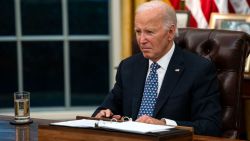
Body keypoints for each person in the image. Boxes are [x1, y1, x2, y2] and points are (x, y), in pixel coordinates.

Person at [92, 0, 221, 136]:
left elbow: (210, 126)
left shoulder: (199, 70)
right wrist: (103, 115)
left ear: (170, 32)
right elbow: (104, 109)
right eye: (138, 31)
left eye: (149, 32)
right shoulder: (128, 67)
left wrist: (165, 124)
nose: (142, 40)